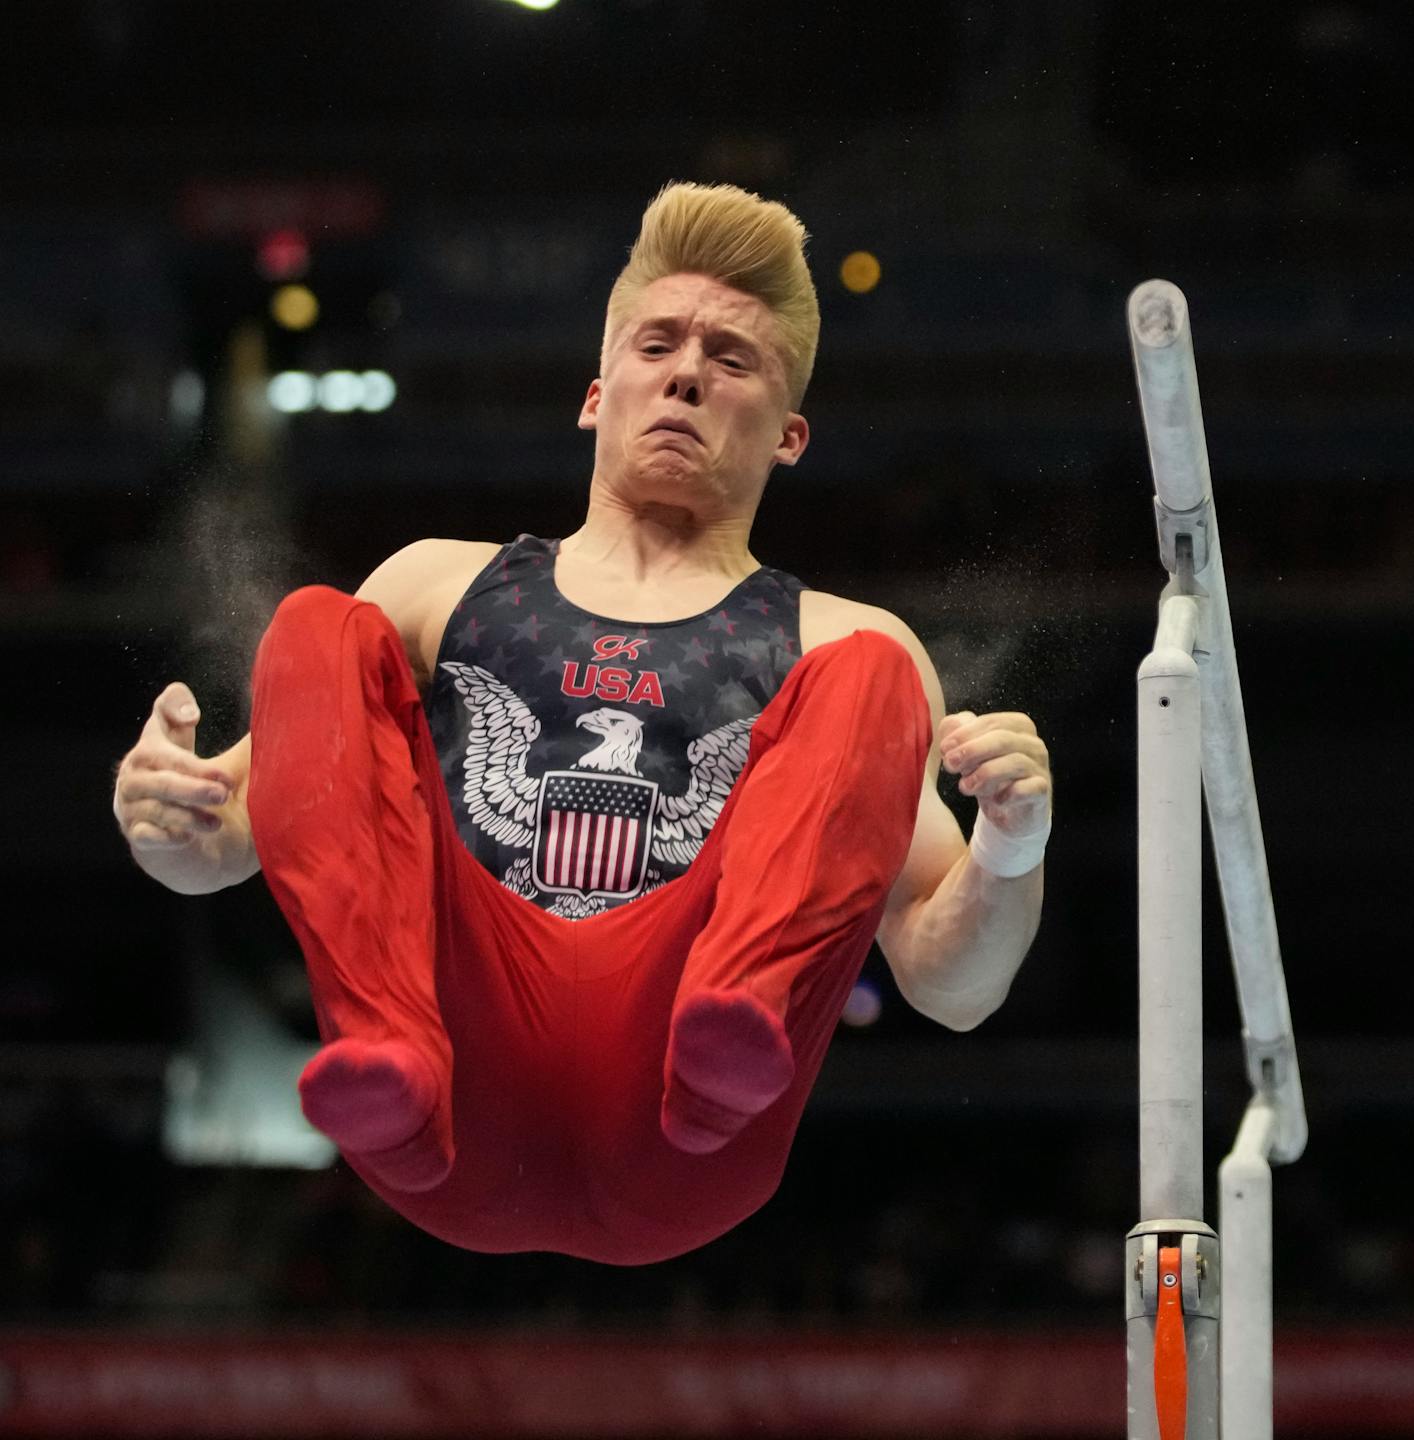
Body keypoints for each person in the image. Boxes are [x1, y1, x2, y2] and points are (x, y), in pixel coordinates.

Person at [109, 182, 1052, 1265]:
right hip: (450, 1085)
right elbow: (221, 844)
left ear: (790, 435)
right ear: (597, 395)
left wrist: (1011, 844)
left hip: (687, 1112)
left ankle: (726, 1031)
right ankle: (386, 1044)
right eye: (659, 344)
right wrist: (160, 814)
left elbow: (954, 986)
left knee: (873, 669)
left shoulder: (835, 642)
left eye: (733, 360)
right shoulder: (435, 588)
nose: (689, 372)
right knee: (318, 626)